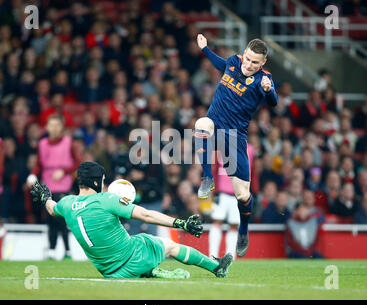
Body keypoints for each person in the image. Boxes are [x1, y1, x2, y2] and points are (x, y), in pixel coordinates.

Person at [30, 161, 233, 279]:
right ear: (95, 182)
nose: (104, 184)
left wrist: (45, 197)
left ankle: (150, 271)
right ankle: (216, 267)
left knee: (139, 238)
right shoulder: (107, 200)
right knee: (168, 246)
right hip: (132, 258)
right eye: (102, 181)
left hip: (109, 272)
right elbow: (146, 215)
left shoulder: (67, 204)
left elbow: (52, 209)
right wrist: (180, 223)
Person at [195, 34, 278, 257]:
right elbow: (221, 65)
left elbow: (273, 103)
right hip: (215, 123)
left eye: (254, 62)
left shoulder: (263, 80)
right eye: (247, 59)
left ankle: (243, 230)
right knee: (201, 123)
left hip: (235, 138)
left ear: (263, 63)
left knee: (242, 195)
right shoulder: (233, 62)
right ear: (244, 54)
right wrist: (205, 49)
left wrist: (270, 90)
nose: (249, 65)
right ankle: (207, 178)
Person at [27, 114, 82, 259]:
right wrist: (32, 175)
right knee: (49, 219)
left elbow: (78, 162)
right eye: (52, 125)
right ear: (47, 127)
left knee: (61, 219)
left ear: (62, 127)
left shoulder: (69, 142)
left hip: (63, 186)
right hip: (47, 186)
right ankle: (52, 250)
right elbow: (39, 164)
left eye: (57, 125)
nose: (54, 128)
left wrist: (64, 171)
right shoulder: (42, 143)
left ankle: (67, 250)